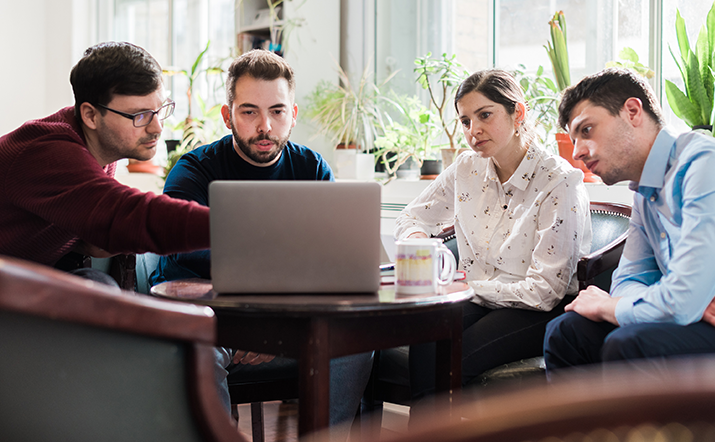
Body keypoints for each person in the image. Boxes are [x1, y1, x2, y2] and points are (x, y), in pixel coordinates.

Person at [150, 49, 372, 429]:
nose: (265, 125)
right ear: (228, 115)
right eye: (249, 111)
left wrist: (275, 325)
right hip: (210, 311)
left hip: (287, 314)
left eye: (278, 111)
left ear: (293, 115)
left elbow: (326, 257)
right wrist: (256, 321)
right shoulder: (193, 171)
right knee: (200, 351)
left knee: (356, 339)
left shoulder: (311, 167)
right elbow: (185, 253)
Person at [543, 68, 715, 373]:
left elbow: (681, 298)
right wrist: (690, 302)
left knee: (629, 343)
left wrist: (620, 305)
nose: (577, 152)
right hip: (703, 315)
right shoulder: (645, 191)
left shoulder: (709, 165)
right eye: (573, 140)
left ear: (633, 111)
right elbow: (629, 280)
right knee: (566, 333)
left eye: (586, 130)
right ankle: (581, 424)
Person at [395, 69, 592, 398]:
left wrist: (466, 288)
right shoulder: (466, 168)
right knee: (428, 334)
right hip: (478, 297)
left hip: (536, 308)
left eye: (485, 115)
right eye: (465, 121)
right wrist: (419, 241)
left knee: (453, 357)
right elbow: (412, 216)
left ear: (519, 113)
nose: (474, 131)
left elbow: (545, 292)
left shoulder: (558, 181)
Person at [0, 41, 209, 283]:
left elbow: (97, 234)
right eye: (140, 115)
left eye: (160, 110)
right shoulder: (47, 153)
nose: (157, 127)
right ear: (90, 115)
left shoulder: (100, 150)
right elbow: (127, 214)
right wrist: (229, 226)